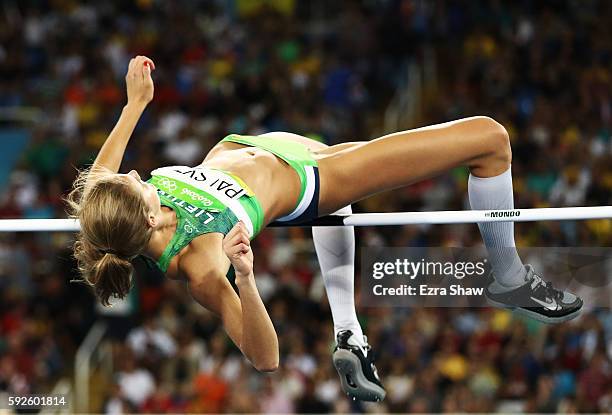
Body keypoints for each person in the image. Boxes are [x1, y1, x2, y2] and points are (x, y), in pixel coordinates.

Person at [67, 56, 583, 402]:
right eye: (139, 186)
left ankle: (349, 334)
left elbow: (105, 178)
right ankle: (508, 277)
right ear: (150, 219)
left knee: (342, 208)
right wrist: (246, 279)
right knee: (490, 140)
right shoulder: (199, 262)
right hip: (311, 179)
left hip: (266, 146)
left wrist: (134, 105)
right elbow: (264, 359)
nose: (137, 174)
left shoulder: (116, 212)